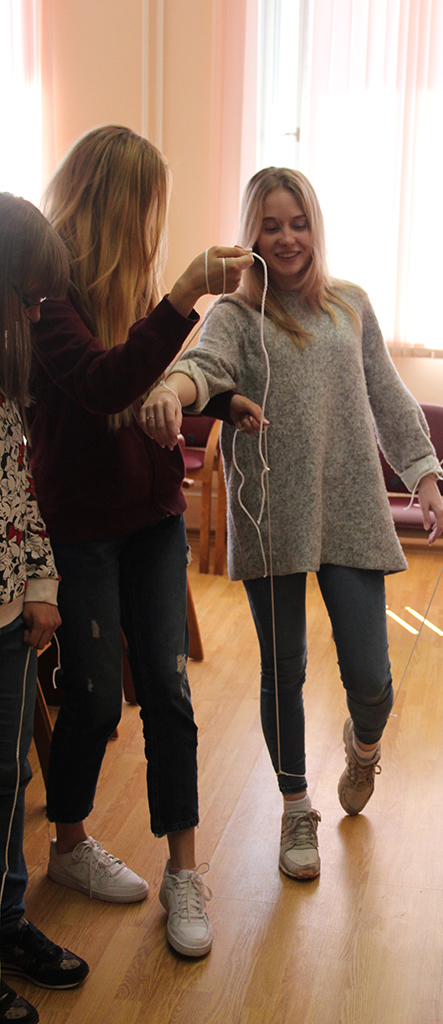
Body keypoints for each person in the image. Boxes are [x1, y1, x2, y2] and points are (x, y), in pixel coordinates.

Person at [140, 166, 443, 881]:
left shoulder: (350, 304)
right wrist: (170, 390)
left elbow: (387, 394)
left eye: (298, 223)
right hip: (270, 509)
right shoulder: (234, 314)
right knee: (284, 669)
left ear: (315, 228)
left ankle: (363, 748)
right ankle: (295, 806)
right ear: (252, 234)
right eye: (271, 226)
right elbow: (201, 367)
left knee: (371, 678)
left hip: (350, 506)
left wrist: (425, 476)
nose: (287, 239)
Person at [29, 126, 258, 958]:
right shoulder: (46, 302)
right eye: (147, 206)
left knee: (167, 690)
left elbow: (150, 385)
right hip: (82, 527)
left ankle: (183, 872)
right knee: (93, 698)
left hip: (152, 518)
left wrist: (214, 400)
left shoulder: (129, 290)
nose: (152, 225)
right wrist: (184, 295)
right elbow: (103, 384)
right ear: (116, 204)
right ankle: (68, 847)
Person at [0, 193, 89, 1023]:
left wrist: (41, 585)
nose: (36, 316)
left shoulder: (8, 386)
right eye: (26, 299)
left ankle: (6, 921)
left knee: (9, 777)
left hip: (9, 618)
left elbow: (18, 492)